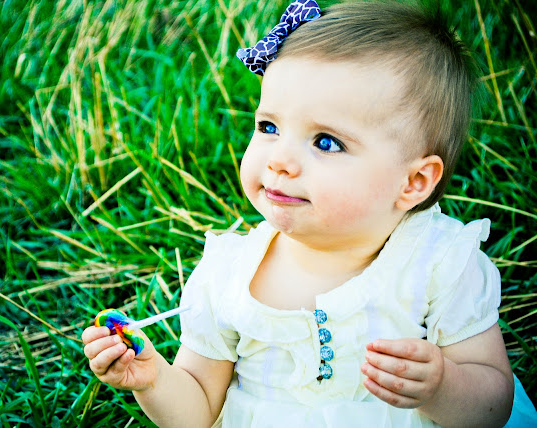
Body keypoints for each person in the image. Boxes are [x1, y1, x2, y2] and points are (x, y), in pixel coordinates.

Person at [82, 1, 533, 426]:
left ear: (412, 182)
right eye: (269, 127)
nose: (279, 159)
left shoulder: (439, 263)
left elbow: (493, 406)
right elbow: (197, 409)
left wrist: (442, 387)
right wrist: (153, 381)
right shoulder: (227, 275)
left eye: (325, 142)